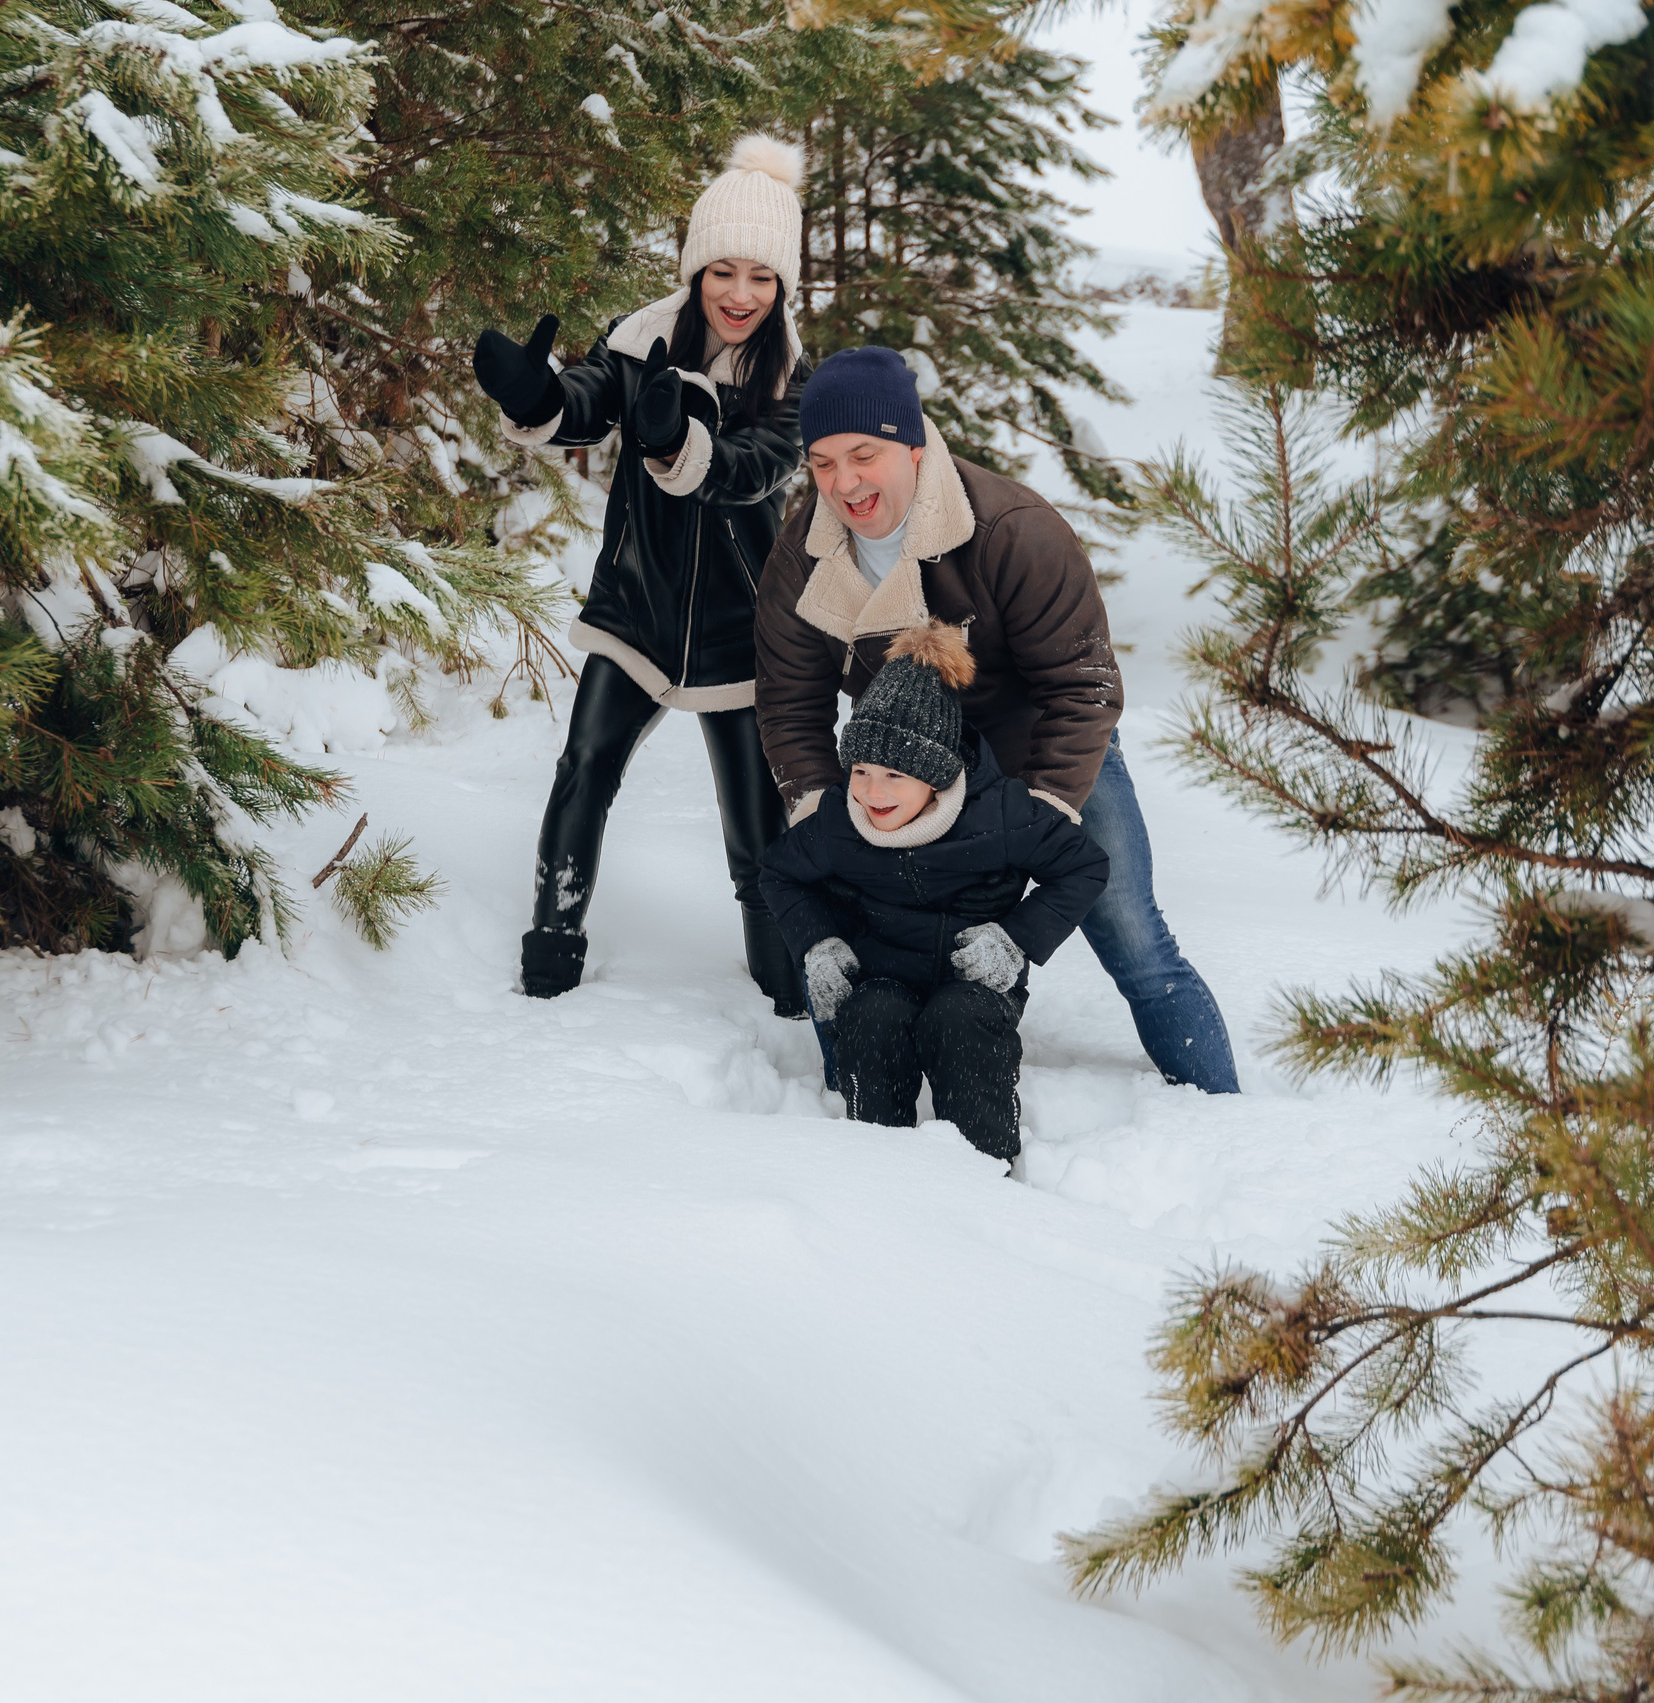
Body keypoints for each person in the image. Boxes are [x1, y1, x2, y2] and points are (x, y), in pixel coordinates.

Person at [753, 347, 1243, 1092]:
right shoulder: (804, 556)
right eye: (822, 463)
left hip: (1040, 755)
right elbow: (791, 702)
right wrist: (827, 817)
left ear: (913, 446)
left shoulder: (1012, 529)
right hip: (901, 776)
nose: (844, 483)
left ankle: (1226, 1111)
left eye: (864, 454)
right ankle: (859, 1125)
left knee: (1134, 937)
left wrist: (1044, 813)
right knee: (848, 943)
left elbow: (1084, 687)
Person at [472, 136, 814, 1009]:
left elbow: (753, 469)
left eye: (762, 277)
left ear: (783, 287)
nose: (740, 294)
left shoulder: (787, 376)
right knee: (584, 769)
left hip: (742, 628)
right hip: (635, 607)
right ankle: (549, 962)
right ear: (695, 268)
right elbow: (585, 400)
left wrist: (675, 442)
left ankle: (782, 994)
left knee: (757, 832)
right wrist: (536, 398)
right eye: (722, 271)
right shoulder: (640, 339)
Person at [756, 622, 1110, 1163]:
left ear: (937, 775)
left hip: (974, 977)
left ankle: (984, 1165)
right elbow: (779, 873)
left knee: (961, 1021)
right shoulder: (839, 822)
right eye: (862, 770)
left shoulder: (1002, 813)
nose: (873, 792)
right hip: (884, 971)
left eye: (895, 775)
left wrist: (1015, 939)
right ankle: (881, 1159)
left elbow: (1083, 865)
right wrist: (817, 943)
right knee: (871, 1017)